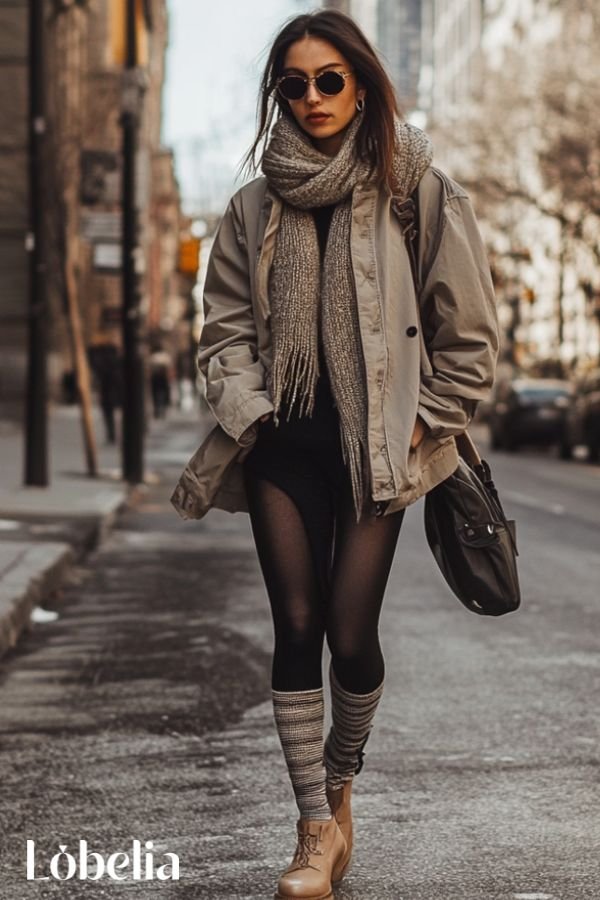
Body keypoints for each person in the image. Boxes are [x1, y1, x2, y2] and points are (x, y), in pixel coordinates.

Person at [171, 10, 499, 898]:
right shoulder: (250, 205)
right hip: (282, 448)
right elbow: (222, 335)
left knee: (351, 640)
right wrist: (252, 413)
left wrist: (425, 426)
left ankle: (340, 782)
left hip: (375, 453)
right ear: (277, 93)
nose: (311, 98)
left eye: (328, 80)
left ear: (361, 84)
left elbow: (467, 336)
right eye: (293, 83)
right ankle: (315, 828)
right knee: (297, 628)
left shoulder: (414, 189)